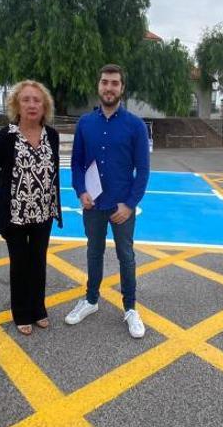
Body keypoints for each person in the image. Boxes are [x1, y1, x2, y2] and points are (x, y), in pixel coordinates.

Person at [64, 64, 150, 338]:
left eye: (114, 83)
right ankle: (90, 301)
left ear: (122, 88)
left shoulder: (135, 126)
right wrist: (80, 191)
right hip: (93, 205)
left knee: (126, 255)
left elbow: (143, 170)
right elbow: (76, 163)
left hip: (122, 206)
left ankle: (130, 309)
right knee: (93, 252)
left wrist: (129, 204)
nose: (109, 87)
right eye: (105, 82)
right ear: (98, 86)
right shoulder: (85, 124)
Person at [0, 80, 63, 335]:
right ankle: (21, 314)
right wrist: (8, 192)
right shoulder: (5, 136)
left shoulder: (52, 135)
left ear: (44, 106)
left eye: (37, 100)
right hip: (15, 214)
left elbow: (52, 171)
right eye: (26, 99)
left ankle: (38, 308)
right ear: (17, 104)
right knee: (20, 264)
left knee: (38, 261)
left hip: (43, 212)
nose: (31, 105)